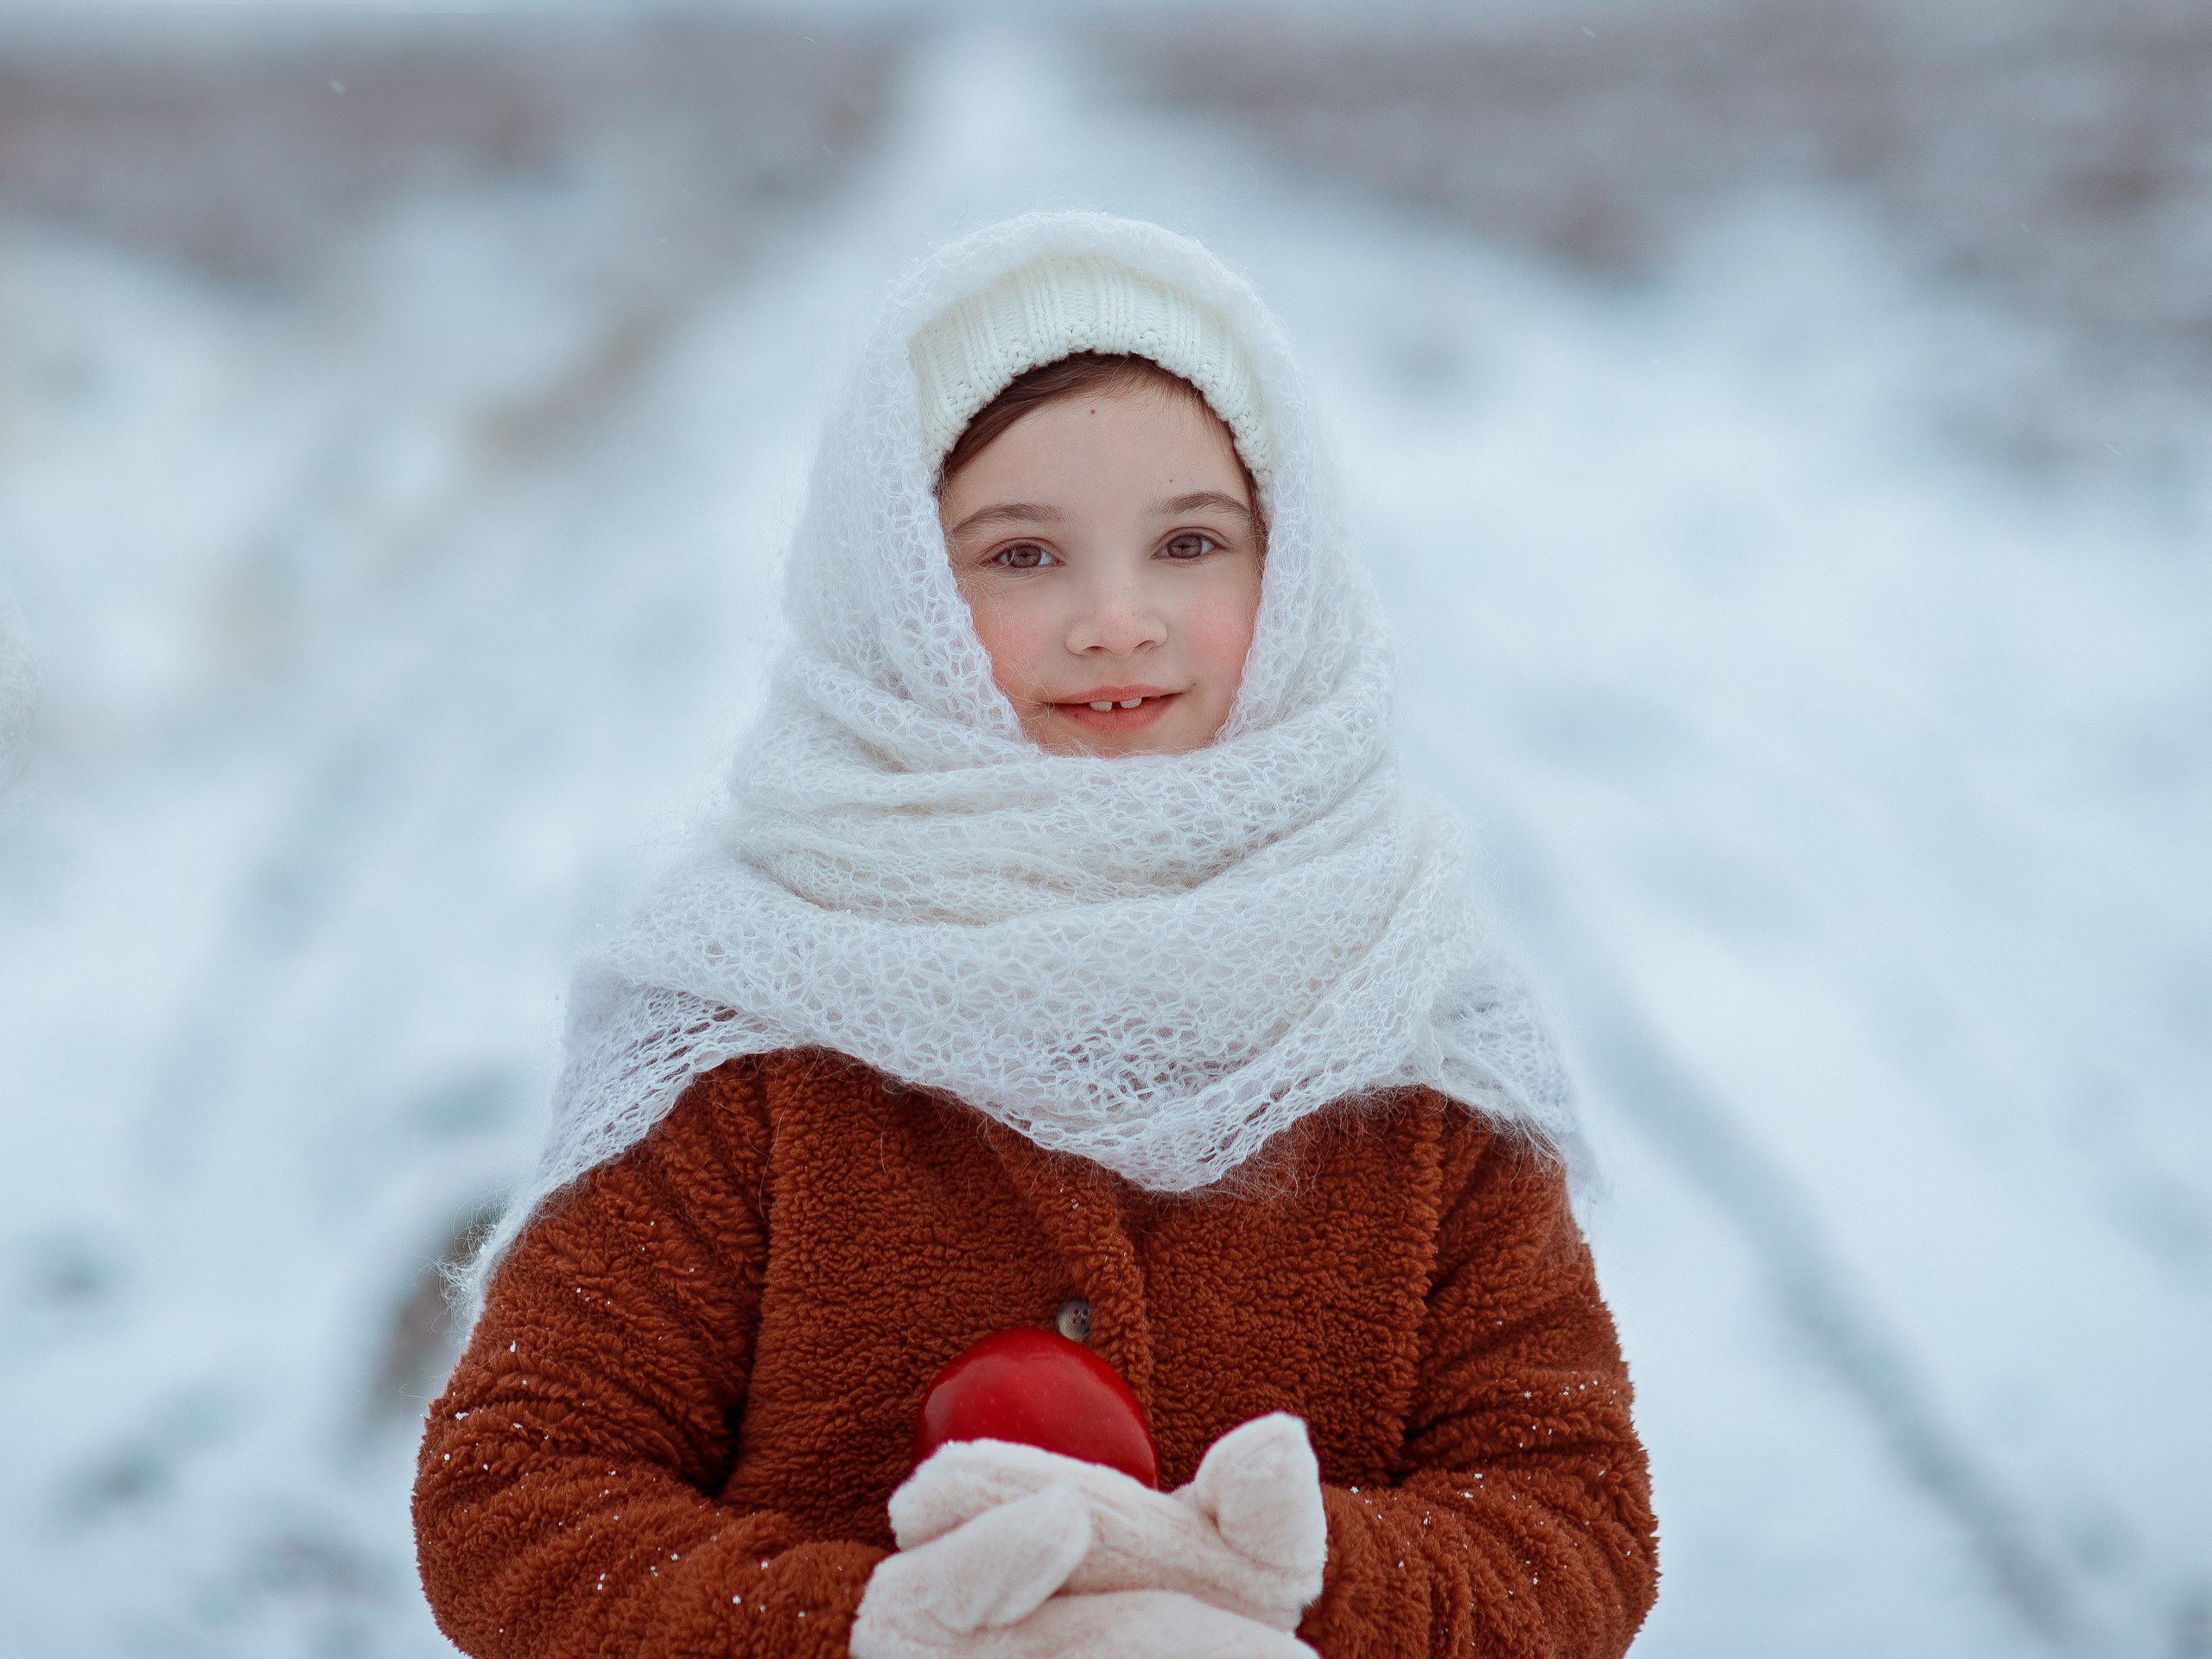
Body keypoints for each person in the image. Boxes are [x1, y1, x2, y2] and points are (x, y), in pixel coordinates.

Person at [413, 213, 1658, 1658]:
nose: (1117, 621)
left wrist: (1266, 1591)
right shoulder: (743, 1006)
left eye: (1190, 543)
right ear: (896, 590)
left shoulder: (1409, 1008)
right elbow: (519, 1496)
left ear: (1292, 566)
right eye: (1021, 556)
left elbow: (1572, 1519)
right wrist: (867, 1629)